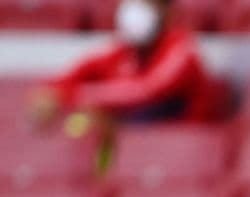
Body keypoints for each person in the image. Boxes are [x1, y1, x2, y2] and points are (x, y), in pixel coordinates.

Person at [29, 0, 222, 130]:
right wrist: (51, 95)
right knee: (81, 124)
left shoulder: (182, 50)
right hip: (129, 149)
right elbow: (73, 76)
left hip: (175, 149)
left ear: (167, 11)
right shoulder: (120, 51)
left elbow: (146, 90)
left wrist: (74, 97)